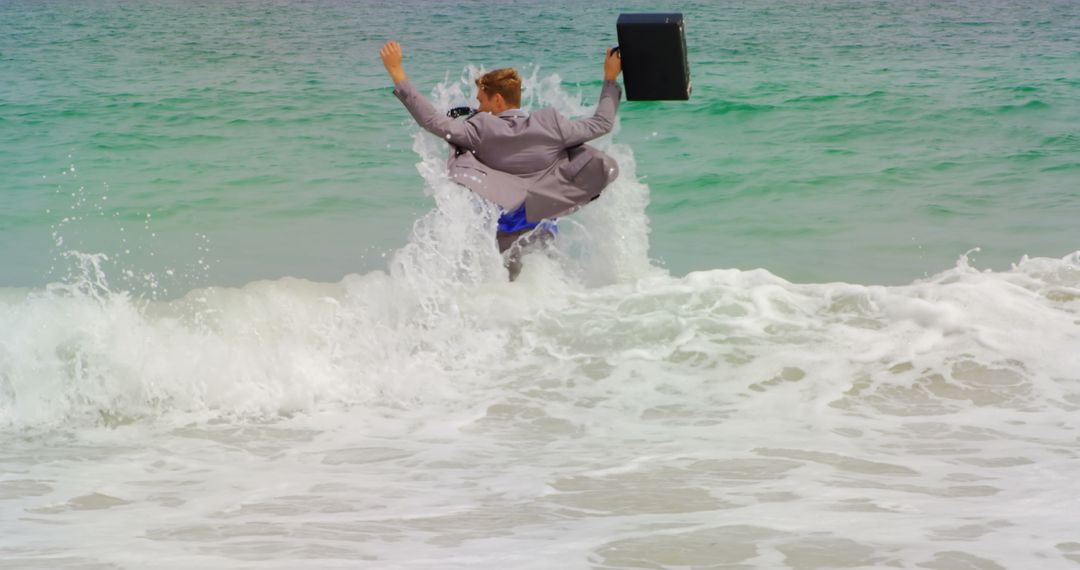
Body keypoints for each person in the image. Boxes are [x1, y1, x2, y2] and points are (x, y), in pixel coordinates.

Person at [378, 40, 623, 280]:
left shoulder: (480, 130)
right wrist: (610, 77)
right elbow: (602, 123)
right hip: (544, 230)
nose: (478, 107)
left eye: (481, 101)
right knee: (544, 289)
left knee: (510, 293)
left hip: (505, 236)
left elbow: (432, 121)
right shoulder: (551, 125)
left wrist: (397, 72)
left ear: (497, 100)